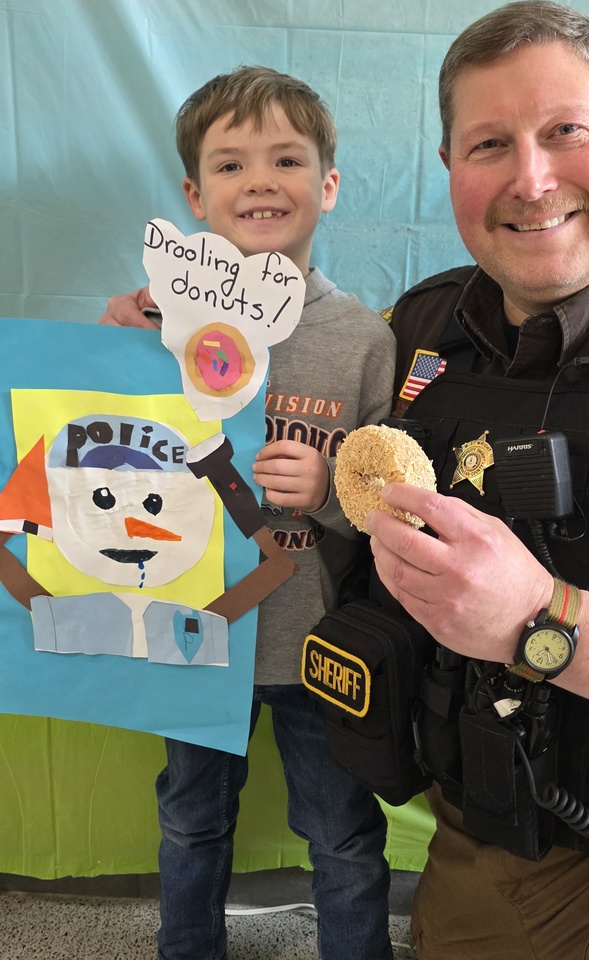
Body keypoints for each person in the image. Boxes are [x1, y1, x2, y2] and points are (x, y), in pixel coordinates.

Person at [365, 0, 589, 959]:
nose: (530, 178)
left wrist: (541, 623)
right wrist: (177, 355)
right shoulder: (417, 331)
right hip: (471, 858)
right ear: (448, 172)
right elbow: (282, 399)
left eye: (566, 132)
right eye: (489, 145)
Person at [101, 65, 397, 960]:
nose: (260, 181)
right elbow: (101, 451)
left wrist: (337, 480)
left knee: (341, 836)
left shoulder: (364, 339)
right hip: (196, 633)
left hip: (318, 637)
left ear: (329, 184)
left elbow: (396, 492)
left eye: (287, 159)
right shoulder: (157, 328)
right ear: (195, 195)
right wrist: (110, 353)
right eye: (231, 165)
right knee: (191, 821)